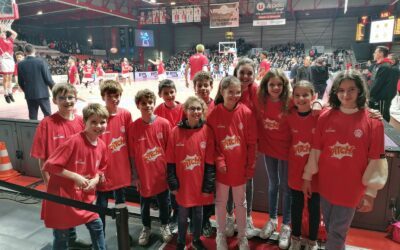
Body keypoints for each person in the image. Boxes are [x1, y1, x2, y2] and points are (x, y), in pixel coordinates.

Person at [303, 70, 388, 250]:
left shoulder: (374, 122)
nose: (345, 94)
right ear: (335, 92)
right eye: (341, 90)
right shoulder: (325, 116)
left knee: (337, 232)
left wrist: (371, 193)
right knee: (331, 228)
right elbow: (316, 150)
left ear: (360, 91)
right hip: (326, 185)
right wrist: (307, 177)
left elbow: (376, 161)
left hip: (351, 188)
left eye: (351, 89)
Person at [30, 83, 91, 250]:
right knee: (60, 228)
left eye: (70, 97)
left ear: (76, 98)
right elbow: (42, 158)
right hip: (56, 183)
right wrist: (48, 182)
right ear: (54, 100)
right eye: (62, 98)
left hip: (76, 180)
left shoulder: (81, 122)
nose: (67, 101)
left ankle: (72, 240)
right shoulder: (47, 124)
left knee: (72, 217)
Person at [42, 103, 109, 250]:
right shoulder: (73, 141)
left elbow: (101, 168)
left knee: (97, 225)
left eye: (102, 122)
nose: (98, 126)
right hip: (63, 197)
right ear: (84, 122)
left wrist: (96, 179)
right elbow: (49, 166)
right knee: (61, 236)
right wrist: (76, 177)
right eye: (94, 122)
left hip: (83, 197)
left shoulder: (102, 145)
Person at [207, 76, 257, 250]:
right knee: (220, 202)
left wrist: (250, 166)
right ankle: (220, 234)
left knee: (241, 204)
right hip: (222, 170)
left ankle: (242, 236)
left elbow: (252, 143)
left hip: (240, 169)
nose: (235, 95)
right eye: (230, 92)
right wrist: (219, 161)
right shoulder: (213, 113)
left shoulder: (247, 113)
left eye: (238, 92)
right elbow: (211, 143)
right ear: (222, 91)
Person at [166, 96, 215, 250]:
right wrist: (172, 182)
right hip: (183, 185)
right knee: (182, 214)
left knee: (199, 214)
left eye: (198, 108)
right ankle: (181, 240)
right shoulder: (175, 132)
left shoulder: (207, 131)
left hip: (199, 184)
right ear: (185, 111)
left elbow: (210, 162)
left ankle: (196, 239)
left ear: (203, 111)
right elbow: (170, 161)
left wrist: (208, 186)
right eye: (192, 108)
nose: (195, 111)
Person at [128, 89, 172, 246]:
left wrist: (170, 174)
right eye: (143, 103)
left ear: (154, 103)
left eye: (150, 102)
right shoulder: (133, 128)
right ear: (138, 105)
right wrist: (135, 176)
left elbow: (171, 151)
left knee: (164, 202)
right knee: (144, 204)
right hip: (144, 176)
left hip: (161, 174)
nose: (147, 106)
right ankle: (146, 227)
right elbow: (132, 155)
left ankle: (165, 225)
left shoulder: (164, 124)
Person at [258, 69, 292, 249]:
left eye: (280, 84)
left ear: (285, 86)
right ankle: (272, 220)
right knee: (273, 185)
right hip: (269, 149)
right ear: (266, 85)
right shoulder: (261, 101)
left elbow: (311, 105)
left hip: (287, 151)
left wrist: (317, 101)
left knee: (286, 188)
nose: (276, 87)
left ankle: (286, 224)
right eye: (272, 84)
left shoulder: (290, 101)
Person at [225, 58, 259, 239]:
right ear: (236, 73)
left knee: (248, 180)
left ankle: (246, 216)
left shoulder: (257, 91)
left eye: (249, 73)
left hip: (249, 144)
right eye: (242, 73)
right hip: (230, 143)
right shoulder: (229, 88)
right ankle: (230, 215)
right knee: (230, 180)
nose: (245, 76)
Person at [287, 81, 320, 250]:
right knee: (296, 206)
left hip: (316, 172)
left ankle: (313, 241)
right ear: (292, 98)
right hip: (295, 170)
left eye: (305, 95)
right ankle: (295, 238)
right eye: (297, 95)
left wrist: (320, 103)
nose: (301, 98)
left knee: (315, 208)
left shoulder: (320, 115)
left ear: (313, 96)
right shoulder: (289, 115)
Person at [96, 80, 132, 234]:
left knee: (121, 203)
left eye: (117, 95)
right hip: (103, 171)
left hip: (120, 169)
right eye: (110, 96)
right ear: (103, 97)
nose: (114, 99)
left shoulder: (125, 114)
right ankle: (100, 236)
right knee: (101, 205)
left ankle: (123, 233)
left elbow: (130, 141)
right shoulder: (98, 116)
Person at [192, 71, 215, 237]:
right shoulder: (190, 106)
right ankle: (194, 219)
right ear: (194, 88)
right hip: (194, 157)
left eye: (206, 85)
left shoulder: (218, 106)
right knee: (195, 189)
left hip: (212, 156)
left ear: (211, 87)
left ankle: (206, 219)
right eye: (199, 85)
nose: (203, 88)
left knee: (209, 189)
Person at [18, 44, 55, 120]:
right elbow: (48, 79)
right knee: (47, 115)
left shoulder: (20, 64)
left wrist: (27, 91)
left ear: (25, 52)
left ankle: (33, 131)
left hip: (30, 94)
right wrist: (54, 90)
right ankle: (47, 131)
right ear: (34, 51)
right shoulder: (41, 62)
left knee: (32, 117)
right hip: (43, 93)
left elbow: (20, 82)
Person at [369, 46, 399, 122]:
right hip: (378, 96)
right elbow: (374, 81)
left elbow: (378, 83)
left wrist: (369, 94)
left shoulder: (385, 66)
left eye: (375, 52)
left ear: (381, 54)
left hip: (382, 97)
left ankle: (383, 132)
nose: (374, 54)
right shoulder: (380, 65)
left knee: (382, 116)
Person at [0, 28, 17, 103]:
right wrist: (1, 28)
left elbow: (15, 34)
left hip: (11, 60)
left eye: (4, 33)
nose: (3, 34)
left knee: (10, 77)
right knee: (5, 78)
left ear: (6, 34)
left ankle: (10, 93)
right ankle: (6, 94)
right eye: (1, 33)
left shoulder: (10, 40)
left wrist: (8, 29)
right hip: (4, 60)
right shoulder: (0, 41)